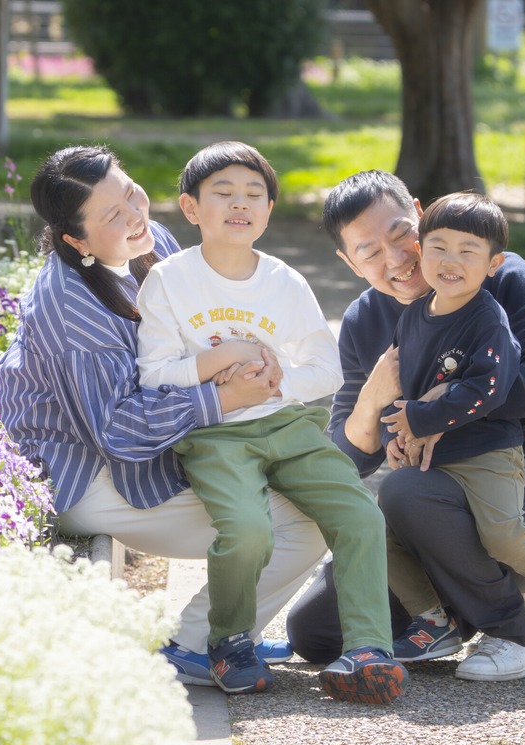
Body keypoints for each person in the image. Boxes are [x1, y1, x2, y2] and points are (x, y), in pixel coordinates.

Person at [0, 146, 329, 690]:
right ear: (76, 241)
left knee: (310, 493)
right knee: (298, 524)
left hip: (170, 439)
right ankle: (194, 643)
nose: (135, 215)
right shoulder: (72, 307)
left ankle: (231, 629)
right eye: (112, 215)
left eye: (130, 192)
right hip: (92, 475)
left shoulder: (156, 249)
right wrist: (225, 398)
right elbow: (118, 431)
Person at [285, 170, 525, 683]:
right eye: (369, 251)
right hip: (435, 520)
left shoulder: (498, 277)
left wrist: (444, 407)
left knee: (405, 489)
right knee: (313, 632)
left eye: (400, 233)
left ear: (422, 215)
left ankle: (516, 629)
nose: (396, 259)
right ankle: (450, 614)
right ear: (349, 262)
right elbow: (346, 456)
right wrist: (374, 400)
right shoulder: (365, 321)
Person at [136, 141, 406, 704]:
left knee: (359, 513)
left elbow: (326, 367)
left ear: (268, 210)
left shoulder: (284, 282)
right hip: (216, 433)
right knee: (249, 530)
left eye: (254, 195)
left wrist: (278, 381)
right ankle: (229, 641)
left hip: (288, 425)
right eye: (224, 194)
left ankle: (367, 650)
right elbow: (155, 374)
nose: (241, 204)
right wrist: (223, 360)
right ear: (191, 209)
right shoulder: (168, 280)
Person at [375, 191, 525, 668]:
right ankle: (434, 622)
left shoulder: (489, 311)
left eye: (467, 251)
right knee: (376, 526)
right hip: (441, 470)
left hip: (492, 456)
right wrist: (399, 431)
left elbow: (490, 387)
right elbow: (408, 391)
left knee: (500, 531)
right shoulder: (411, 316)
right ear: (424, 247)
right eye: (439, 247)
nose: (450, 260)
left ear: (493, 263)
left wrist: (430, 413)